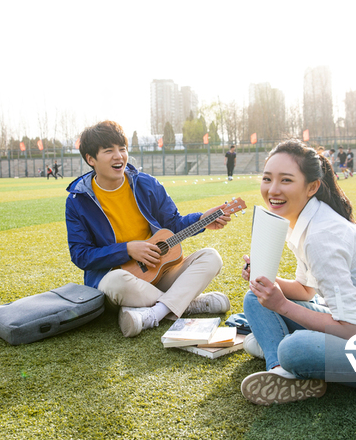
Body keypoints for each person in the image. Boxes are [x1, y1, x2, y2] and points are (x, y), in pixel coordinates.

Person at [239, 139, 356, 405]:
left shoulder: (322, 235)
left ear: (312, 187)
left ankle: (285, 357)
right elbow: (306, 291)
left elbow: (351, 332)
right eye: (267, 179)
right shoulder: (307, 221)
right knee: (255, 297)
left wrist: (282, 306)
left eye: (286, 180)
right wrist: (266, 282)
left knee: (295, 348)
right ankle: (279, 371)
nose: (272, 190)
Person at [65, 121, 232, 338]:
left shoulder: (147, 184)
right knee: (117, 283)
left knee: (211, 257)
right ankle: (188, 304)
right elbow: (80, 255)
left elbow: (172, 224)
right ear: (91, 159)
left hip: (159, 271)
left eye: (122, 149)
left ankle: (155, 312)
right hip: (119, 278)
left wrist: (201, 219)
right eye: (109, 151)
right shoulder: (78, 201)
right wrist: (127, 250)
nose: (119, 156)